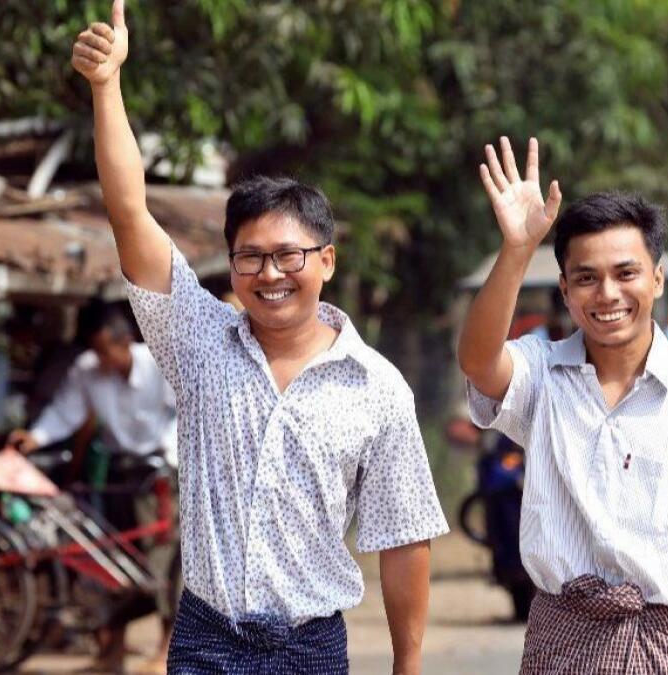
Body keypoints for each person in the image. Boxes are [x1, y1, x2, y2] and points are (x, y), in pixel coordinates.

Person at [70, 3, 448, 674]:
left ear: (326, 260)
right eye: (250, 257)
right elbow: (128, 210)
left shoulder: (376, 387)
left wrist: (407, 665)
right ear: (232, 264)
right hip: (206, 641)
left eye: (288, 255)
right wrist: (107, 87)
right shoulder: (196, 339)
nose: (270, 274)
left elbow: (405, 537)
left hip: (311, 647)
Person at [458, 137, 668, 674]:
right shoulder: (541, 373)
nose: (607, 293)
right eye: (586, 278)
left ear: (655, 279)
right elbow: (477, 360)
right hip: (561, 642)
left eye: (625, 273)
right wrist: (517, 248)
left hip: (666, 644)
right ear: (565, 290)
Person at [7, 304, 178, 672]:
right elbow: (65, 412)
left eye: (106, 350)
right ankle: (112, 652)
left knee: (162, 564)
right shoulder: (87, 370)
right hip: (119, 474)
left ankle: (166, 652)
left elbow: (183, 413)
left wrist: (170, 456)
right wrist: (35, 438)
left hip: (160, 473)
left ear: (125, 341)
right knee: (114, 560)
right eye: (96, 350)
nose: (101, 359)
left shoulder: (158, 364)